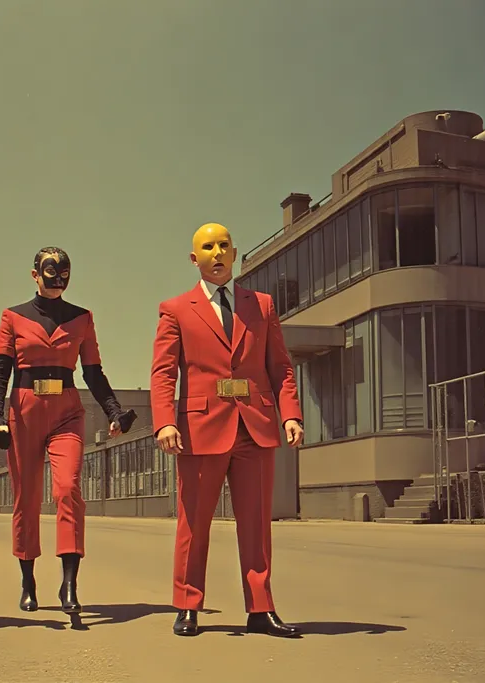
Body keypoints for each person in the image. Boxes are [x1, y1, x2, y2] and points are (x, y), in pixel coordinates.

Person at [150, 222, 304, 638]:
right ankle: (187, 605)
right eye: (207, 247)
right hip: (200, 428)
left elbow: (280, 366)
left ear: (234, 254)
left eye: (223, 246)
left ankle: (260, 608)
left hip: (255, 426)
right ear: (194, 258)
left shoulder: (263, 306)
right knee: (194, 523)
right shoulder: (176, 309)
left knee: (256, 524)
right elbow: (164, 373)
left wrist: (291, 413)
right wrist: (165, 421)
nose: (217, 253)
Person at [0, 247, 137, 615]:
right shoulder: (13, 317)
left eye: (63, 270)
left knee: (67, 489)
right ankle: (28, 581)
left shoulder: (82, 319)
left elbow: (93, 372)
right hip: (23, 413)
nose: (57, 277)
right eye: (49, 270)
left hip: (67, 413)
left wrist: (114, 411)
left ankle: (69, 584)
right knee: (27, 500)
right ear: (34, 273)